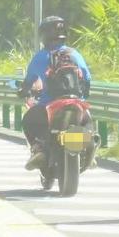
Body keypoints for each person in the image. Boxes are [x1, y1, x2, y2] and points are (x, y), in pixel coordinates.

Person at [18, 16, 91, 170]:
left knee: (28, 120)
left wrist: (23, 90)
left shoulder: (40, 57)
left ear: (43, 35)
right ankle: (89, 151)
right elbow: (87, 78)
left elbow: (28, 81)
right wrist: (82, 96)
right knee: (88, 121)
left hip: (48, 105)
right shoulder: (75, 54)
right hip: (77, 103)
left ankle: (39, 150)